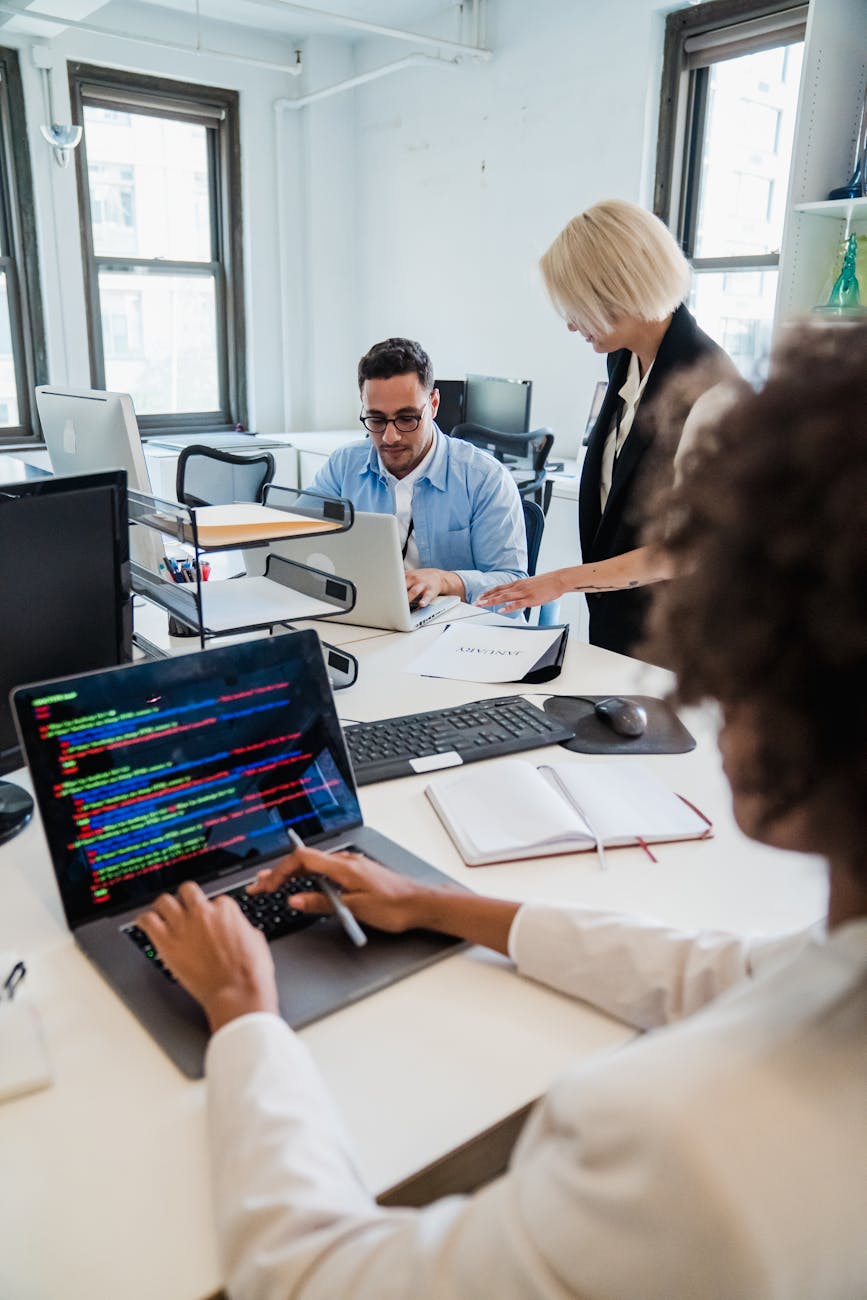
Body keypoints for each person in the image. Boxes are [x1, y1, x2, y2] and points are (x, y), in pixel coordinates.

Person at [138, 321, 867, 1298]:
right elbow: (722, 971)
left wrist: (242, 1013)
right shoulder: (833, 973)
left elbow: (307, 1275)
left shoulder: (676, 1142)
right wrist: (438, 902)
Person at [477, 199, 738, 656]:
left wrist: (561, 581)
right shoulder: (626, 360)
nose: (571, 325)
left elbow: (685, 549)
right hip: (620, 625)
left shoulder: (713, 392)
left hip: (676, 642)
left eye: (577, 307)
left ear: (618, 290)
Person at [308, 336, 527, 609]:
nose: (390, 437)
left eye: (407, 418)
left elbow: (512, 584)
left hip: (457, 633)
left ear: (433, 404)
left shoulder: (485, 478)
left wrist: (446, 581)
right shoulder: (344, 466)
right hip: (370, 618)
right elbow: (296, 541)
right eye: (376, 419)